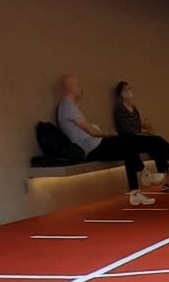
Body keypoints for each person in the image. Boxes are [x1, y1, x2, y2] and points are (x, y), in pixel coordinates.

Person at [56, 74, 158, 208]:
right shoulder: (68, 106)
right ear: (70, 88)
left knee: (128, 147)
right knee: (128, 144)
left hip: (94, 143)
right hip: (92, 147)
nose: (81, 88)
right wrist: (108, 134)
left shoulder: (70, 106)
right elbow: (89, 130)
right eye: (78, 85)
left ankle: (138, 187)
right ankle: (143, 177)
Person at [113, 81, 169, 186]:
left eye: (130, 88)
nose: (129, 92)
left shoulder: (134, 108)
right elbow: (127, 128)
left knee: (158, 148)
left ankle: (165, 178)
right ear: (121, 93)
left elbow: (137, 124)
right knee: (157, 141)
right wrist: (143, 131)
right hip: (130, 139)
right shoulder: (120, 109)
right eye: (126, 89)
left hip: (139, 137)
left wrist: (144, 128)